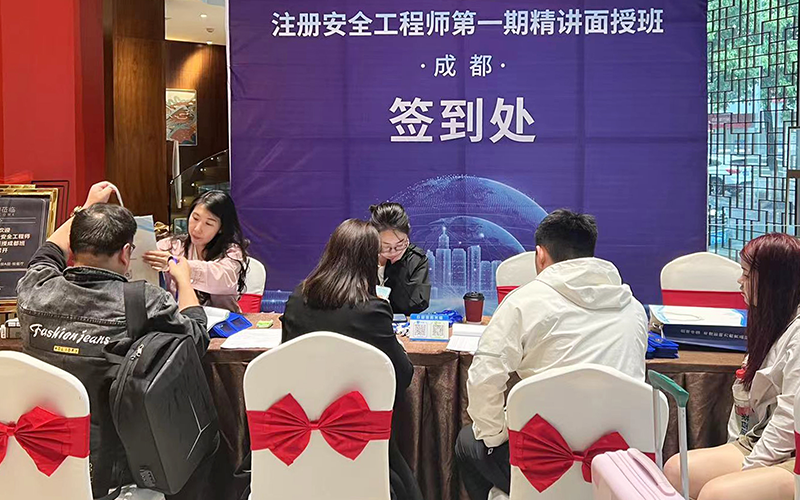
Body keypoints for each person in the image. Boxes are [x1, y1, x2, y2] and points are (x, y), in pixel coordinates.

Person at [16, 182, 210, 499]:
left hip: (36, 452)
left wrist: (85, 208)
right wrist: (184, 282)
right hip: (114, 470)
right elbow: (196, 338)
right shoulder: (143, 300)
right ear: (126, 253)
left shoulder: (35, 288)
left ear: (73, 248)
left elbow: (48, 249)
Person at [454, 209, 648, 500]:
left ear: (540, 255)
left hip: (543, 461)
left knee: (468, 442)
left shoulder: (522, 303)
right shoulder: (633, 308)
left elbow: (484, 379)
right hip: (616, 467)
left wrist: (496, 435)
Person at [279, 218, 422, 500]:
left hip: (297, 431)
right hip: (360, 435)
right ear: (369, 261)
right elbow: (402, 376)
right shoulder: (372, 310)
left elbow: (285, 360)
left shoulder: (296, 299)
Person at [664, 233, 800, 500]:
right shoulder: (774, 321)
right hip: (762, 438)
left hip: (794, 450)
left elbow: (789, 419)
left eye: (747, 274)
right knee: (677, 470)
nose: (739, 281)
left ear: (775, 281)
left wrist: (749, 471)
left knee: (716, 494)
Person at [144, 190, 250, 312]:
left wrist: (175, 264)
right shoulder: (171, 246)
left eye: (208, 223)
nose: (197, 229)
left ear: (221, 228)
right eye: (195, 218)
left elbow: (222, 277)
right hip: (178, 320)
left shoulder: (232, 252)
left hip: (222, 320)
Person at [369, 202, 430, 315]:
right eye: (386, 246)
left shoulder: (416, 259)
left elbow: (418, 304)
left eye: (400, 244)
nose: (393, 251)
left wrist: (398, 266)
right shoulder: (363, 256)